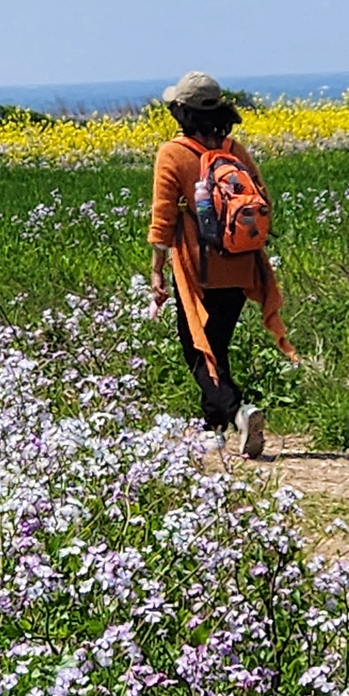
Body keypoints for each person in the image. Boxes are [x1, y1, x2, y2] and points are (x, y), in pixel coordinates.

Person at [148, 71, 296, 457]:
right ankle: (211, 429)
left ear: (181, 111)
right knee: (217, 345)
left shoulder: (173, 153)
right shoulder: (234, 150)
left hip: (198, 268)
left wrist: (156, 271)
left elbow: (163, 219)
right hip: (241, 262)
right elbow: (263, 200)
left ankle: (238, 412)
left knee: (196, 349)